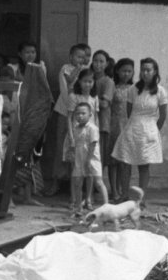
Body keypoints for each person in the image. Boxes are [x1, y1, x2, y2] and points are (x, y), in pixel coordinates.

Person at [111, 57, 168, 204]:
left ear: (155, 71)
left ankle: (140, 199)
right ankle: (124, 195)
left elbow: (162, 116)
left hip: (149, 131)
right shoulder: (133, 89)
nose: (145, 73)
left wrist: (154, 130)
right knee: (125, 163)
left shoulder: (161, 91)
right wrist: (135, 125)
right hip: (132, 129)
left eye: (148, 70)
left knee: (144, 165)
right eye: (143, 70)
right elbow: (129, 112)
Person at [42, 43, 91, 196]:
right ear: (71, 57)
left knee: (79, 149)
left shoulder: (86, 71)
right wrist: (73, 107)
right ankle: (56, 182)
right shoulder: (66, 69)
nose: (81, 59)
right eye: (78, 56)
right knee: (61, 148)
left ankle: (75, 187)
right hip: (65, 112)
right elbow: (65, 91)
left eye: (83, 57)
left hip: (81, 115)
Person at [65, 102, 107, 213]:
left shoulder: (92, 128)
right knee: (78, 183)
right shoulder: (76, 128)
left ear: (90, 115)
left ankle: (106, 206)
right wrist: (72, 154)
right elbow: (76, 144)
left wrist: (88, 161)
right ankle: (79, 207)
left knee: (98, 182)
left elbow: (93, 145)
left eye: (83, 113)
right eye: (77, 113)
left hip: (92, 159)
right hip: (79, 159)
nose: (80, 116)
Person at [107, 57, 136, 202]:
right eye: (124, 71)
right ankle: (114, 190)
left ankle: (123, 189)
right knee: (113, 161)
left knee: (125, 160)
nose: (126, 74)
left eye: (129, 71)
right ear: (117, 71)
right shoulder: (113, 87)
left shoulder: (135, 89)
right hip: (114, 125)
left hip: (129, 126)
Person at [89, 50, 115, 183]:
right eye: (95, 61)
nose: (97, 64)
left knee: (99, 157)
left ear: (107, 64)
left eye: (101, 61)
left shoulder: (108, 81)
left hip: (101, 124)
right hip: (87, 123)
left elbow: (104, 104)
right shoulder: (88, 78)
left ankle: (96, 186)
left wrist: (88, 99)